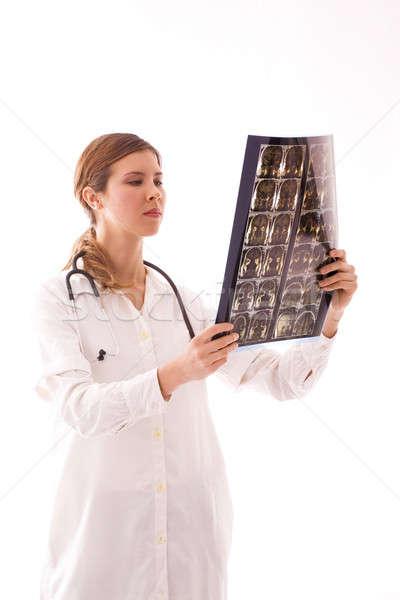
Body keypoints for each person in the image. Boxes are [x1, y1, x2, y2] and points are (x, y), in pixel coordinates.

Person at [33, 132, 357, 600]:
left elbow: (283, 382)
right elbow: (79, 408)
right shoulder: (56, 299)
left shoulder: (185, 302)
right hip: (103, 542)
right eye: (135, 181)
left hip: (192, 529)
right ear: (92, 197)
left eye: (159, 180)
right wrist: (175, 373)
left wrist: (332, 315)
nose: (154, 192)